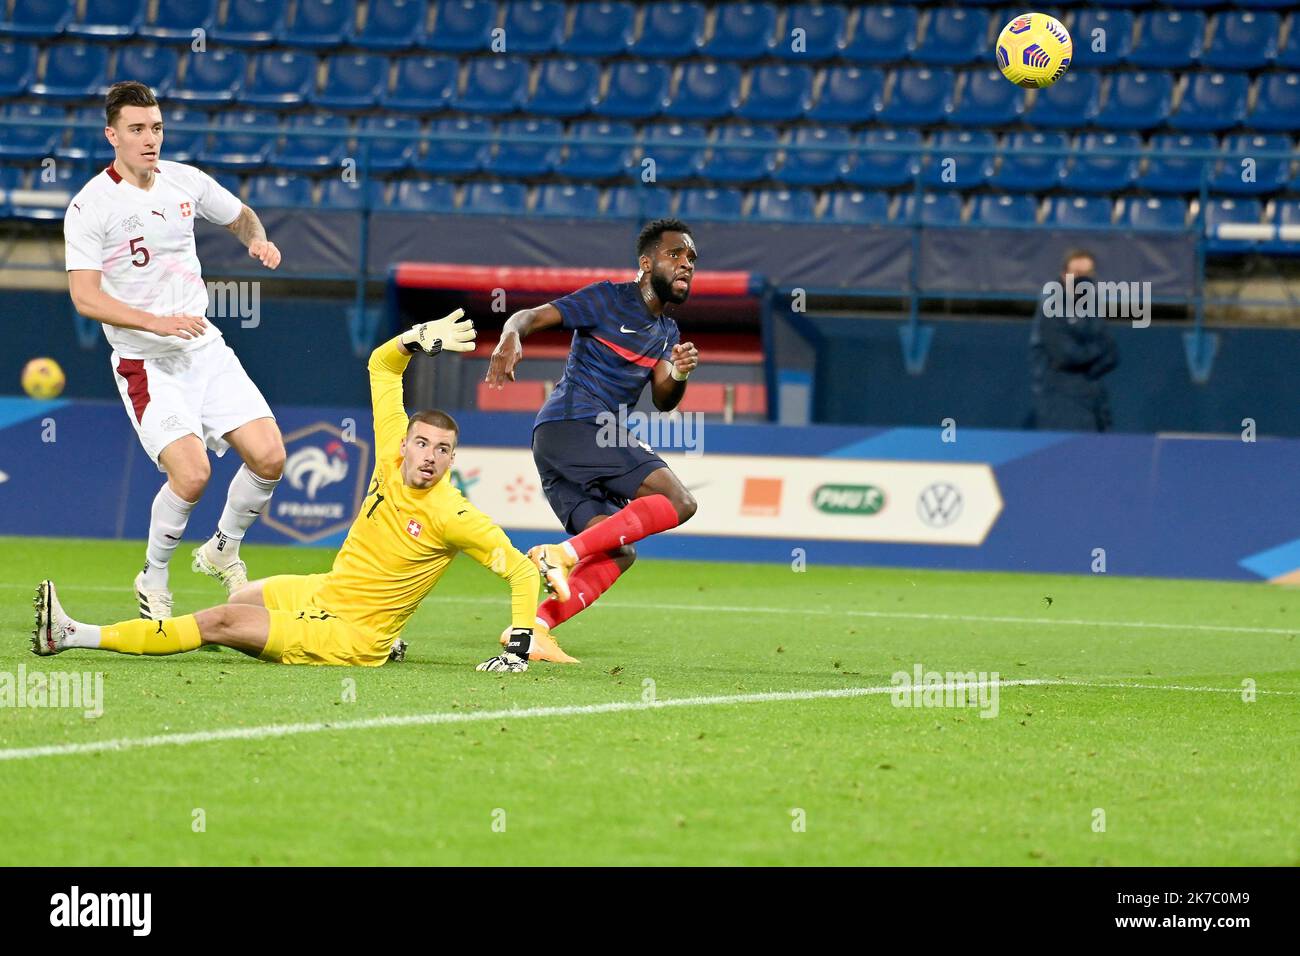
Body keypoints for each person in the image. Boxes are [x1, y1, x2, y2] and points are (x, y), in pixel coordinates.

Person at [32, 311, 559, 674]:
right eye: (421, 443)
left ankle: (76, 634)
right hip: (327, 592)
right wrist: (415, 337)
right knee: (241, 598)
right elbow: (382, 365)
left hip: (352, 634)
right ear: (406, 445)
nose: (428, 456)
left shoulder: (454, 513)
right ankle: (380, 636)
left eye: (442, 450)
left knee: (221, 622)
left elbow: (518, 569)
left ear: (451, 459)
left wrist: (516, 646)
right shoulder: (389, 448)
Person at [64, 80, 286, 619]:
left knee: (271, 457)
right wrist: (155, 323)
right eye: (137, 129)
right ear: (111, 135)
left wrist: (255, 239)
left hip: (203, 347)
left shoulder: (184, 181)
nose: (150, 139)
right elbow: (85, 297)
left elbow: (240, 214)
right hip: (147, 361)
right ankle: (154, 575)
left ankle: (222, 547)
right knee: (191, 475)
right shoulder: (90, 205)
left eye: (156, 127)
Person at [484, 218, 701, 654]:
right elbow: (530, 316)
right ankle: (561, 555)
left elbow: (663, 400)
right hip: (574, 425)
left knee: (617, 550)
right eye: (675, 254)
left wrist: (677, 372)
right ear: (645, 263)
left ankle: (532, 631)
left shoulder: (667, 332)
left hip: (565, 441)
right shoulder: (607, 298)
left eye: (691, 259)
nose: (686, 264)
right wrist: (509, 335)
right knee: (680, 502)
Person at [1029, 249, 1120, 432]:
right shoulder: (1052, 306)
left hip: (1095, 401)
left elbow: (1112, 354)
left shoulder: (1093, 307)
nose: (1082, 280)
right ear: (1064, 275)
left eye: (1087, 274)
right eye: (1077, 274)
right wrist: (1095, 352)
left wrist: (1089, 366)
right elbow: (1066, 355)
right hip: (1061, 403)